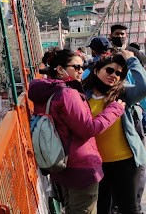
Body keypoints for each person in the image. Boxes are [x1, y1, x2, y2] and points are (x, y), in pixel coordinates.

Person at [29, 48, 125, 213]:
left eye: (83, 66)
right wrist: (115, 109)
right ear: (60, 69)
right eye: (77, 67)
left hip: (61, 165)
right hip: (82, 168)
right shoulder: (68, 94)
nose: (82, 71)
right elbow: (88, 129)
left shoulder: (43, 93)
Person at [82, 50, 146, 214]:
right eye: (109, 70)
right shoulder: (82, 95)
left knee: (129, 209)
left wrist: (132, 60)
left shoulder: (122, 95)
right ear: (96, 70)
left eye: (119, 73)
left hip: (125, 162)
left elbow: (144, 86)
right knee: (103, 208)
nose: (114, 75)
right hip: (96, 164)